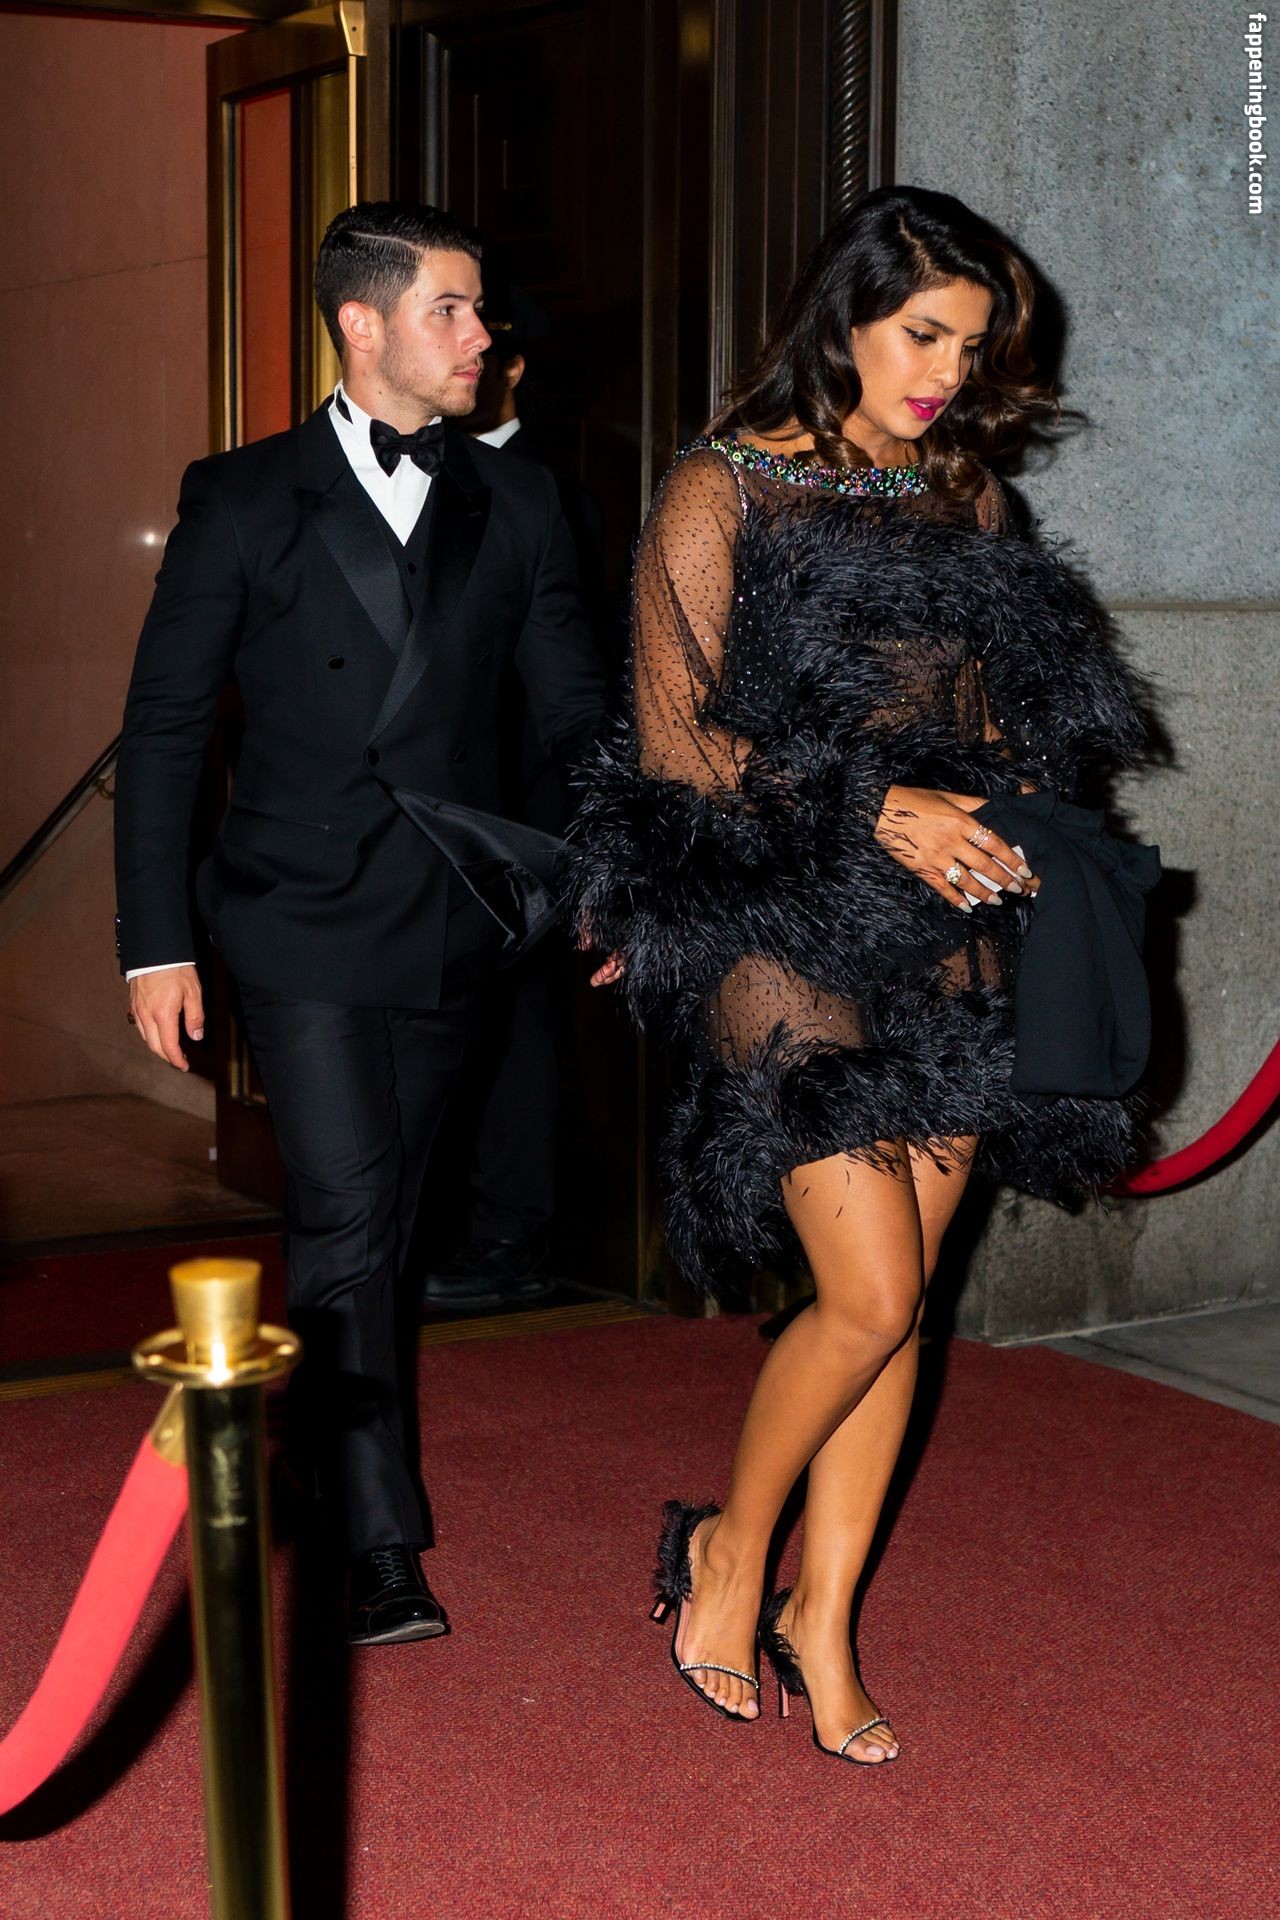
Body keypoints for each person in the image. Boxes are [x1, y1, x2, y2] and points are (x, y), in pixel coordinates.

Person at [572, 185, 1147, 1764]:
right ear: (845, 317)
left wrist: (1016, 819)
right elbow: (683, 749)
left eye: (970, 346)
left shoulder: (966, 500)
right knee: (868, 1289)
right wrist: (881, 806)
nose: (946, 375)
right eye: (922, 335)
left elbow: (1003, 722)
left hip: (941, 915)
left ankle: (822, 1618)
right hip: (781, 912)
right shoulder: (722, 488)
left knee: (905, 1311)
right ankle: (729, 1551)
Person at [115, 202, 604, 1645]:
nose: (481, 336)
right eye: (452, 308)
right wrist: (156, 940)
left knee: (387, 1219)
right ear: (362, 322)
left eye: (479, 309)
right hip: (295, 913)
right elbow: (164, 728)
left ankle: (316, 1450)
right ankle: (374, 1542)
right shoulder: (243, 496)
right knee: (344, 1206)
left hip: (452, 915)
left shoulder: (520, 501)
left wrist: (619, 878)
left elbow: (576, 714)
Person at [422, 272, 604, 1308]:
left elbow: (577, 683)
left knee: (516, 1032)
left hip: (523, 815)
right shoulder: (410, 476)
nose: (469, 357)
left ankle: (509, 1240)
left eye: (488, 345)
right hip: (426, 816)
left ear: (516, 368)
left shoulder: (552, 494)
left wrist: (580, 834)